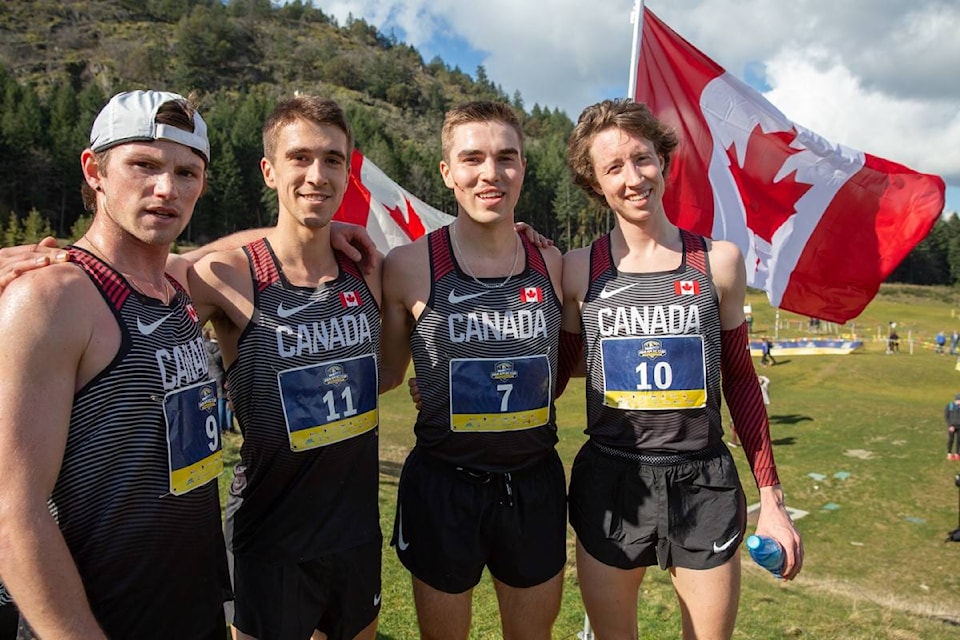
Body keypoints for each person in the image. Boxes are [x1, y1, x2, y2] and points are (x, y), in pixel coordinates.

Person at [559, 99, 802, 640]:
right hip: (611, 479)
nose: (633, 178)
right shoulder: (578, 268)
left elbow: (739, 379)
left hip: (702, 481)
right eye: (613, 167)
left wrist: (774, 504)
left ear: (664, 162)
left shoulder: (719, 261)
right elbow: (560, 372)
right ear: (595, 183)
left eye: (642, 158)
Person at [0, 90, 231, 639]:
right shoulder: (54, 297)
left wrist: (328, 234)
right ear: (94, 170)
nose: (166, 189)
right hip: (95, 618)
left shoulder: (173, 288)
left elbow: (243, 249)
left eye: (186, 172)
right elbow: (12, 513)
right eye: (143, 165)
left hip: (190, 603)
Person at [183, 95, 383, 640]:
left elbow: (384, 377)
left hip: (356, 535)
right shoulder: (226, 274)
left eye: (332, 159)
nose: (317, 175)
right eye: (299, 158)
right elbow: (143, 273)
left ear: (348, 172)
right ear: (269, 171)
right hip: (269, 539)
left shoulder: (368, 270)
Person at [380, 101, 567, 640]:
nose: (491, 173)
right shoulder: (408, 265)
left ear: (524, 169)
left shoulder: (551, 261)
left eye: (507, 158)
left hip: (533, 484)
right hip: (442, 486)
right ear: (447, 172)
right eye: (472, 159)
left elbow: (570, 361)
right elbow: (389, 373)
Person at [945, 394, 960, 461]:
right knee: (951, 440)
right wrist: (950, 425)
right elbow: (946, 416)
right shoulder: (950, 406)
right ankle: (949, 453)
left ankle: (957, 453)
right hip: (952, 426)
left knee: (959, 440)